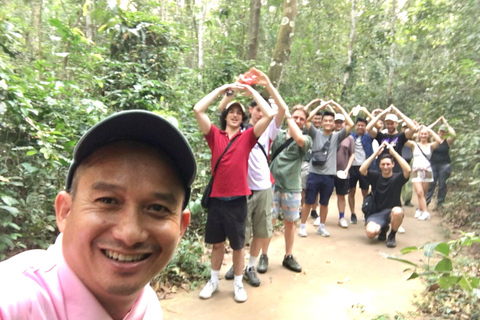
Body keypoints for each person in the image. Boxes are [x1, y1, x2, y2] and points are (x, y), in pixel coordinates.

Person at [0, 110, 197, 319]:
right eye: (107, 201)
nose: (129, 235)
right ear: (65, 211)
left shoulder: (147, 305)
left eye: (157, 208)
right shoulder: (17, 302)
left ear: (181, 227)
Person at [194, 83, 274, 302]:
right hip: (217, 200)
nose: (235, 115)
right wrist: (221, 91)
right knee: (217, 244)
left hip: (238, 200)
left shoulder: (248, 136)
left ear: (243, 117)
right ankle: (213, 281)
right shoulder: (214, 136)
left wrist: (251, 92)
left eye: (239, 113)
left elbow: (269, 114)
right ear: (225, 116)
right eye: (231, 112)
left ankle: (238, 283)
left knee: (238, 245)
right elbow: (198, 110)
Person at [220, 67, 285, 286]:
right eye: (257, 109)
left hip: (264, 187)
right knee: (240, 231)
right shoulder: (239, 129)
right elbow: (222, 111)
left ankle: (250, 266)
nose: (261, 113)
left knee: (260, 229)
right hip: (242, 188)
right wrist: (235, 89)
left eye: (264, 109)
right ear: (251, 109)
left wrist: (265, 85)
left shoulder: (269, 130)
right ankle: (237, 264)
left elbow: (281, 109)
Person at [299, 99, 353, 237]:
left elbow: (350, 124)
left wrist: (338, 107)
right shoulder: (316, 133)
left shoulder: (337, 136)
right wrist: (321, 106)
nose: (328, 123)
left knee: (324, 202)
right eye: (326, 121)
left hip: (329, 175)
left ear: (334, 123)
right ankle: (303, 226)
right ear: (322, 122)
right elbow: (307, 121)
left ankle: (321, 226)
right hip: (314, 173)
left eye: (331, 121)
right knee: (309, 201)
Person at [270, 105, 312, 272]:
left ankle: (288, 255)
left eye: (302, 119)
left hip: (292, 187)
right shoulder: (278, 135)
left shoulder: (306, 139)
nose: (298, 120)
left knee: (289, 222)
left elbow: (300, 140)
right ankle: (263, 256)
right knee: (269, 221)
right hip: (272, 184)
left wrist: (288, 117)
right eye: (296, 117)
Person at [360, 142, 411, 248]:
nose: (385, 167)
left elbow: (408, 170)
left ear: (393, 165)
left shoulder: (397, 178)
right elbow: (362, 169)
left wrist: (394, 153)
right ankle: (383, 229)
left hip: (392, 212)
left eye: (388, 164)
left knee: (397, 212)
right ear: (379, 165)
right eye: (383, 164)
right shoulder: (375, 176)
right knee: (370, 233)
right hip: (377, 212)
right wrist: (375, 154)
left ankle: (392, 235)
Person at [404, 125, 442, 221]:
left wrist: (429, 130)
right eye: (422, 134)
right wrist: (414, 130)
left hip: (427, 170)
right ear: (419, 135)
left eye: (425, 134)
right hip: (416, 170)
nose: (424, 135)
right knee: (419, 192)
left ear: (427, 135)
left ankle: (420, 210)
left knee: (424, 193)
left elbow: (439, 141)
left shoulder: (430, 146)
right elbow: (404, 139)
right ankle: (425, 212)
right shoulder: (414, 145)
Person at [366, 105, 416, 172]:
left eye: (392, 123)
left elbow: (413, 128)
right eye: (388, 124)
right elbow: (368, 128)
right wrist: (381, 115)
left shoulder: (401, 136)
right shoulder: (381, 136)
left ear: (396, 124)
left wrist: (399, 113)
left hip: (396, 168)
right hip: (381, 167)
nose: (389, 126)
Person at [348, 116, 373, 224]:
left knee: (365, 192)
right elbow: (345, 125)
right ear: (355, 126)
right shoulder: (351, 136)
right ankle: (353, 213)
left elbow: (375, 125)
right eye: (358, 125)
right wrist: (351, 113)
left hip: (364, 167)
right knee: (351, 191)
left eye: (363, 125)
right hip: (352, 167)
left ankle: (366, 212)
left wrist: (368, 113)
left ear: (366, 127)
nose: (360, 127)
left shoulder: (369, 136)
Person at [331, 113, 354, 228]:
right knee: (324, 195)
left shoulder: (349, 138)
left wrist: (347, 169)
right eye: (337, 122)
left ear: (345, 123)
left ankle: (341, 217)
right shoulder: (328, 136)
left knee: (341, 195)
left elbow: (352, 154)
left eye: (341, 122)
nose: (339, 124)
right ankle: (320, 217)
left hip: (342, 172)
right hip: (329, 171)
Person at [426, 116, 456, 207]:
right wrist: (437, 122)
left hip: (444, 165)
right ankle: (426, 203)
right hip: (433, 164)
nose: (442, 133)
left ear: (446, 133)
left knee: (442, 185)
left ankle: (440, 203)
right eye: (440, 131)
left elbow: (453, 134)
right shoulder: (433, 140)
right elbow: (426, 130)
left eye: (444, 131)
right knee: (431, 184)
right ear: (438, 132)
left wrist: (445, 122)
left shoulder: (448, 141)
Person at [301, 111, 322, 219]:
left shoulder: (324, 132)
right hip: (306, 160)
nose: (317, 120)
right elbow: (304, 117)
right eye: (315, 118)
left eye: (319, 119)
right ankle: (302, 209)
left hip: (318, 162)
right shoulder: (306, 130)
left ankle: (314, 210)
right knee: (304, 187)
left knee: (316, 188)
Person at [400, 122, 414, 207]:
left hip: (410, 160)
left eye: (407, 127)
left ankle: (407, 199)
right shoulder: (399, 137)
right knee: (399, 180)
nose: (406, 129)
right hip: (400, 161)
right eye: (404, 127)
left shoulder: (413, 138)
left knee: (409, 182)